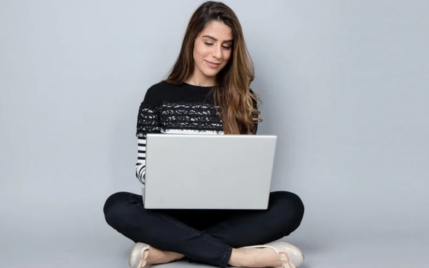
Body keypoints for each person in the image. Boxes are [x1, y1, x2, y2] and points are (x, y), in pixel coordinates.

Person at [103, 1, 305, 268]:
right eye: (209, 42)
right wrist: (171, 175)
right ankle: (237, 257)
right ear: (192, 41)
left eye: (226, 45)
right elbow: (142, 167)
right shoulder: (157, 96)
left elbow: (246, 172)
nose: (217, 54)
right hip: (170, 213)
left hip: (226, 215)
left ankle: (171, 250)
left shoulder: (243, 100)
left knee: (290, 205)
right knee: (116, 206)